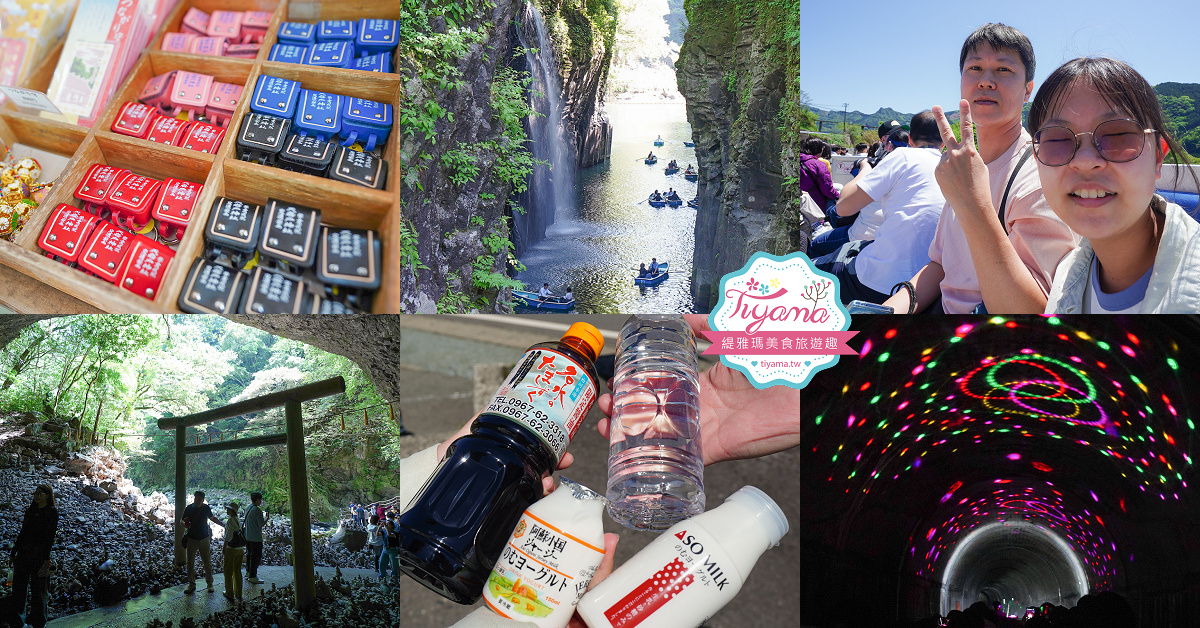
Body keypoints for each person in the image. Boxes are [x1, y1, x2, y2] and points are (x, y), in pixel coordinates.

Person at [882, 22, 1077, 314]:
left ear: (1027, 91)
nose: (986, 81)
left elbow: (1033, 310)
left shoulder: (1040, 177)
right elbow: (940, 265)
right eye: (974, 68)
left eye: (1003, 70)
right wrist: (889, 311)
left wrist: (973, 203)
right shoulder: (963, 164)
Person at [1029, 57, 1200, 313]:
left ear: (1157, 157)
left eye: (1117, 135)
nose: (1085, 161)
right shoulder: (1066, 275)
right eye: (1058, 140)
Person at [815, 111, 947, 305]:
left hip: (880, 279)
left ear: (910, 139)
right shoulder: (953, 165)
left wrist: (865, 169)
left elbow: (843, 208)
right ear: (943, 142)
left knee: (808, 270)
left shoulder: (904, 156)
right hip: (930, 283)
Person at [5, 485, 57, 628]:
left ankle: (39, 623)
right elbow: (23, 533)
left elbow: (49, 537)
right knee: (18, 589)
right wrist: (13, 552)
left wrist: (45, 559)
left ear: (47, 496)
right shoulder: (31, 511)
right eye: (36, 493)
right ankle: (18, 623)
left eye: (40, 493)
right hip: (24, 553)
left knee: (39, 592)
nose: (37, 495)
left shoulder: (51, 513)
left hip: (39, 556)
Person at [181, 490, 223, 593]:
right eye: (196, 498)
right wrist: (184, 524)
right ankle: (191, 584)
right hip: (192, 538)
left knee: (207, 562)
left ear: (203, 500)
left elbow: (212, 518)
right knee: (190, 563)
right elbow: (182, 520)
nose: (197, 501)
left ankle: (210, 584)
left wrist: (224, 525)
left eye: (200, 499)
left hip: (204, 538)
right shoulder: (189, 508)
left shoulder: (206, 508)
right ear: (194, 498)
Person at [799, 137, 840, 214]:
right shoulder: (819, 164)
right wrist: (839, 197)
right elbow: (827, 189)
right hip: (813, 204)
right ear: (818, 149)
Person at [242, 492, 268, 584]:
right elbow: (260, 524)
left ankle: (248, 572)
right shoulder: (257, 510)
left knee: (249, 555)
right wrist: (267, 519)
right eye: (260, 500)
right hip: (256, 538)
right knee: (256, 557)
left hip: (248, 536)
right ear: (257, 500)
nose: (261, 502)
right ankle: (253, 576)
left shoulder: (248, 507)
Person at [222, 502, 245, 602]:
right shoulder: (238, 520)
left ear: (232, 511)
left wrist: (224, 547)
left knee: (228, 571)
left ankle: (229, 592)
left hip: (231, 549)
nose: (227, 510)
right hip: (240, 549)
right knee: (237, 571)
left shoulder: (230, 520)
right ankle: (238, 592)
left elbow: (228, 536)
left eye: (228, 509)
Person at [368, 514, 389, 579]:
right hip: (379, 543)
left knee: (376, 556)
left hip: (372, 542)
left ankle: (376, 568)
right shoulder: (377, 527)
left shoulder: (369, 526)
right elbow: (382, 533)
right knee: (380, 557)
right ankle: (381, 569)